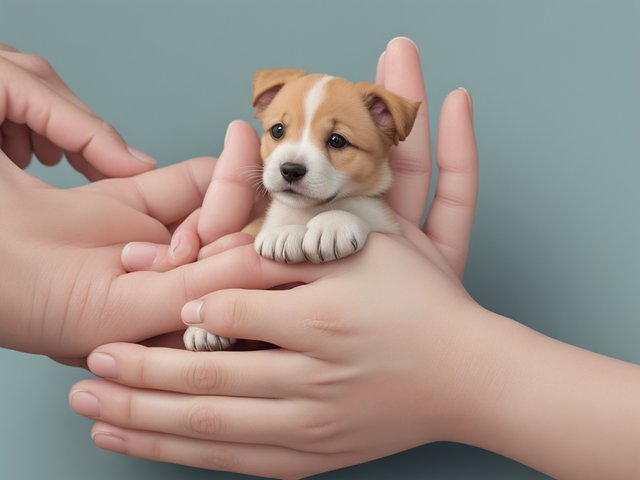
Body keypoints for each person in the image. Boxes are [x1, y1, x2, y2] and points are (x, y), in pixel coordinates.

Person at [1, 38, 638, 479]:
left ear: (387, 131)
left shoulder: (362, 219)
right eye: (279, 131)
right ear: (262, 112)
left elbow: (362, 232)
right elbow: (243, 259)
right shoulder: (257, 216)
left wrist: (461, 372)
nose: (295, 155)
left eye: (336, 141)